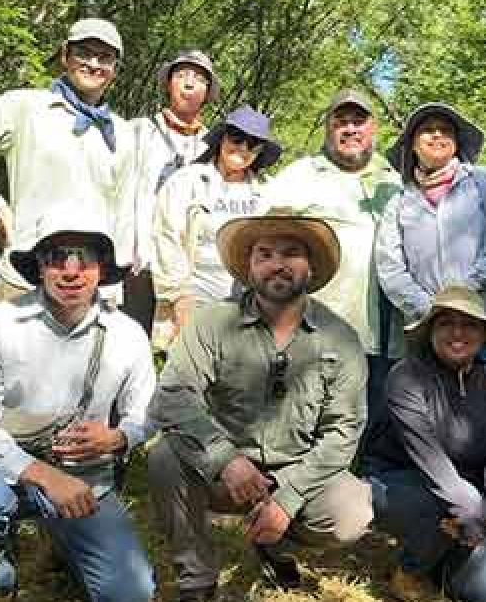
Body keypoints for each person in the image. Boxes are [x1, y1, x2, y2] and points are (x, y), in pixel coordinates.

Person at [147, 208, 373, 602]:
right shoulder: (212, 322)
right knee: (166, 458)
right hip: (224, 468)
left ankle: (276, 542)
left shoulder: (341, 338)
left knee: (352, 512)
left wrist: (286, 501)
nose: (277, 265)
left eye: (290, 253)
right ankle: (197, 578)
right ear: (249, 267)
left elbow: (343, 432)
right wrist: (226, 459)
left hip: (296, 470)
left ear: (311, 267)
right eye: (263, 254)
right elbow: (173, 395)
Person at [0, 207, 156, 602]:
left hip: (87, 483)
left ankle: (65, 547)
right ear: (39, 266)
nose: (71, 271)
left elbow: (146, 413)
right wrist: (45, 476)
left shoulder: (128, 335)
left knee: (132, 594)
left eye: (84, 258)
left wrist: (119, 438)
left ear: (102, 270)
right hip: (2, 478)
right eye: (57, 258)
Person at [0, 18, 139, 301]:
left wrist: (112, 287)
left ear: (115, 70)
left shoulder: (123, 133)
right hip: (24, 279)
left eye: (105, 57)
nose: (93, 63)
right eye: (84, 52)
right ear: (65, 56)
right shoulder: (25, 107)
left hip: (90, 289)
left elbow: (123, 212)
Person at [363, 285, 486, 602]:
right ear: (431, 331)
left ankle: (443, 555)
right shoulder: (405, 377)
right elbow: (427, 457)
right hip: (397, 485)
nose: (457, 333)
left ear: (484, 334)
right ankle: (411, 568)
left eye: (470, 324)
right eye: (446, 323)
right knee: (438, 505)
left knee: (485, 592)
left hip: (468, 503)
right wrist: (469, 507)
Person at [270, 90, 403, 421]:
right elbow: (266, 239)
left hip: (387, 330)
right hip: (319, 323)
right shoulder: (301, 175)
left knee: (374, 418)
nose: (350, 130)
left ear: (374, 129)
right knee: (313, 412)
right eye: (340, 122)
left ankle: (362, 473)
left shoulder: (395, 180)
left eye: (359, 122)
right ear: (328, 129)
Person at [374, 102, 486, 386]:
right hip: (425, 328)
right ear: (412, 144)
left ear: (457, 142)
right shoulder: (399, 201)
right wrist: (430, 308)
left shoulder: (484, 183)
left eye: (445, 131)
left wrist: (462, 297)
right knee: (430, 412)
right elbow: (389, 266)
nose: (437, 135)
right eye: (427, 131)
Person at [150, 104, 280, 349]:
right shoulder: (187, 181)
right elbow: (166, 238)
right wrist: (179, 298)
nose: (242, 148)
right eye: (237, 137)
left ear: (260, 152)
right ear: (221, 138)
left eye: (253, 143)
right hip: (192, 302)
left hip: (247, 311)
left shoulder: (268, 193)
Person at [124, 49, 221, 333]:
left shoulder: (213, 146)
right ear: (168, 83)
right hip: (139, 262)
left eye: (199, 79)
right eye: (181, 75)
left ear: (207, 92)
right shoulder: (138, 132)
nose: (189, 84)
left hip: (189, 270)